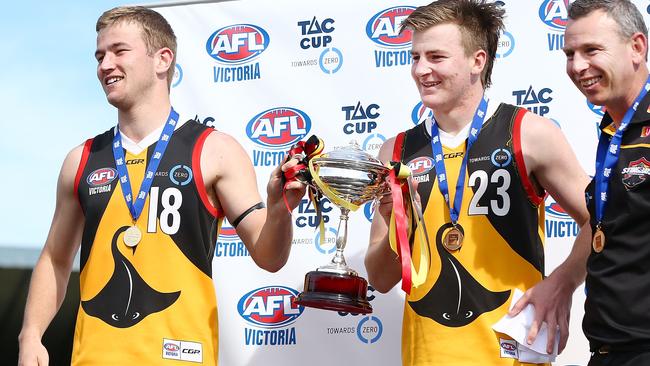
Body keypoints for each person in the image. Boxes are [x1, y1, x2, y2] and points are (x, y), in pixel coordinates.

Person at [17, 6, 304, 365]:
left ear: (162, 60)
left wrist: (278, 209)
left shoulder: (214, 150)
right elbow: (56, 259)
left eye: (119, 51)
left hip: (182, 358)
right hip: (94, 357)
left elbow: (270, 256)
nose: (105, 65)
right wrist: (30, 335)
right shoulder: (82, 159)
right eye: (100, 55)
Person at [364, 0, 591, 364]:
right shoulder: (397, 150)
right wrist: (396, 223)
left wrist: (563, 283)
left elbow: (601, 217)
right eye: (415, 57)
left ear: (477, 61)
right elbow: (380, 278)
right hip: (427, 356)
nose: (421, 70)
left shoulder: (528, 133)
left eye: (436, 57)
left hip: (513, 355)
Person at [556, 0, 650, 364]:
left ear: (637, 48)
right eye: (570, 53)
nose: (578, 66)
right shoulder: (614, 131)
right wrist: (561, 282)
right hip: (608, 351)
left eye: (592, 50)